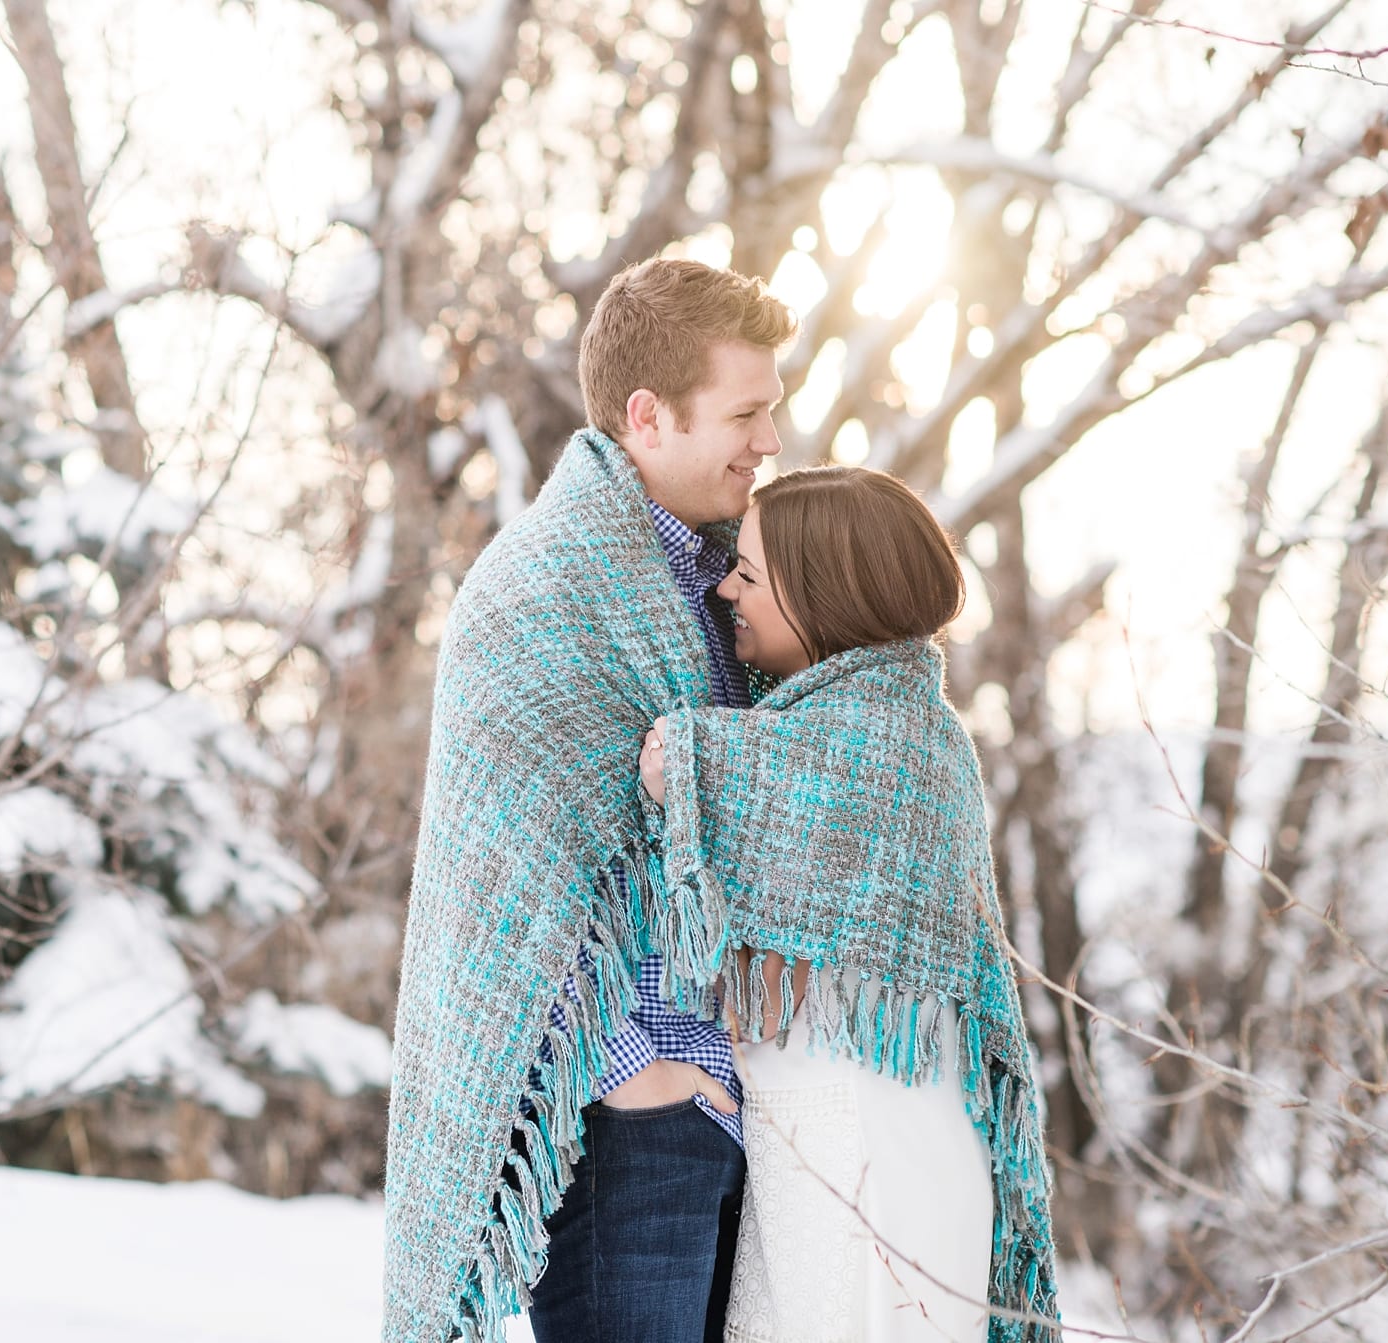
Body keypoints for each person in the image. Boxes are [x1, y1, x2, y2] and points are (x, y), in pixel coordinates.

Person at [381, 257, 793, 1343]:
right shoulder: (540, 589)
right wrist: (637, 1073)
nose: (770, 439)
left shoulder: (732, 582)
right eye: (746, 412)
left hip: (747, 1120)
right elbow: (516, 893)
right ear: (649, 416)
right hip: (630, 1138)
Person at [639, 466, 1061, 1342]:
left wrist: (686, 758)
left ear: (822, 594)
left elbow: (727, 773)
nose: (724, 589)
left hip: (875, 1152)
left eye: (749, 574)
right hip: (819, 1143)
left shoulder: (888, 743)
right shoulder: (856, 726)